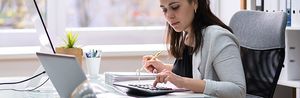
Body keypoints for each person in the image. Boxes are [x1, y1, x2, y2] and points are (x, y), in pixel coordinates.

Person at [142, 0, 246, 98]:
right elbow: (191, 73)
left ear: (195, 3)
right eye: (164, 10)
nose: (169, 16)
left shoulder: (218, 38)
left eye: (175, 7)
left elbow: (238, 90)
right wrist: (163, 68)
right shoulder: (187, 33)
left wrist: (182, 82)